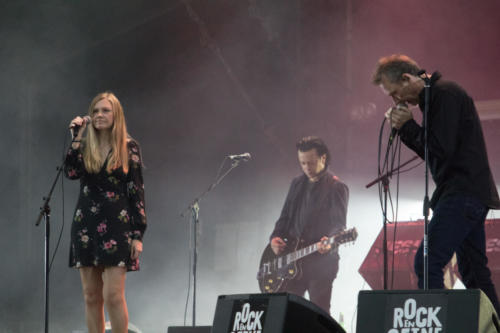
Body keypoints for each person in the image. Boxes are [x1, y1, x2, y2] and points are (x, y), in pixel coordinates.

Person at [373, 54, 500, 313]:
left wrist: (407, 126)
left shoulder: (444, 94)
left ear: (407, 78)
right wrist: (409, 128)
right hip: (467, 194)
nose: (396, 100)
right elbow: (436, 150)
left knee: (427, 262)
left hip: (462, 194)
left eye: (395, 92)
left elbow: (440, 150)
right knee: (474, 273)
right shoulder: (434, 99)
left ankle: (438, 326)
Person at [64, 92, 147, 333]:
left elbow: (136, 190)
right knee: (91, 296)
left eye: (105, 110)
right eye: (95, 111)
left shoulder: (129, 146)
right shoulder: (84, 144)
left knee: (113, 295)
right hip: (85, 225)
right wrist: (76, 138)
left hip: (117, 226)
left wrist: (137, 233)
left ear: (116, 115)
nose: (99, 114)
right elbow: (70, 173)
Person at [269, 136, 349, 313]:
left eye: (310, 163)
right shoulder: (297, 183)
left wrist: (329, 241)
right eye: (302, 163)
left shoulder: (337, 187)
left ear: (323, 158)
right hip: (292, 262)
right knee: (286, 314)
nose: (306, 168)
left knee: (317, 316)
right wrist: (274, 238)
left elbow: (339, 224)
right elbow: (284, 218)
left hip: (321, 264)